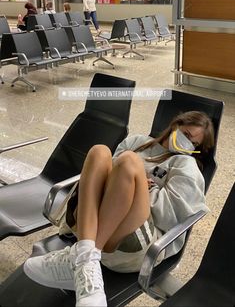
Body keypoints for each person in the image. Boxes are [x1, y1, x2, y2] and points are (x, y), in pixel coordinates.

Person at [23, 111, 214, 307]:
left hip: (133, 243)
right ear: (176, 125)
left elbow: (171, 216)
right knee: (100, 151)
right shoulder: (137, 141)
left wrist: (139, 187)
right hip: (96, 225)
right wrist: (125, 182)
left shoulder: (185, 164)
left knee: (129, 161)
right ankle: (87, 260)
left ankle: (82, 256)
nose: (188, 144)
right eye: (187, 135)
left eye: (195, 145)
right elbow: (102, 176)